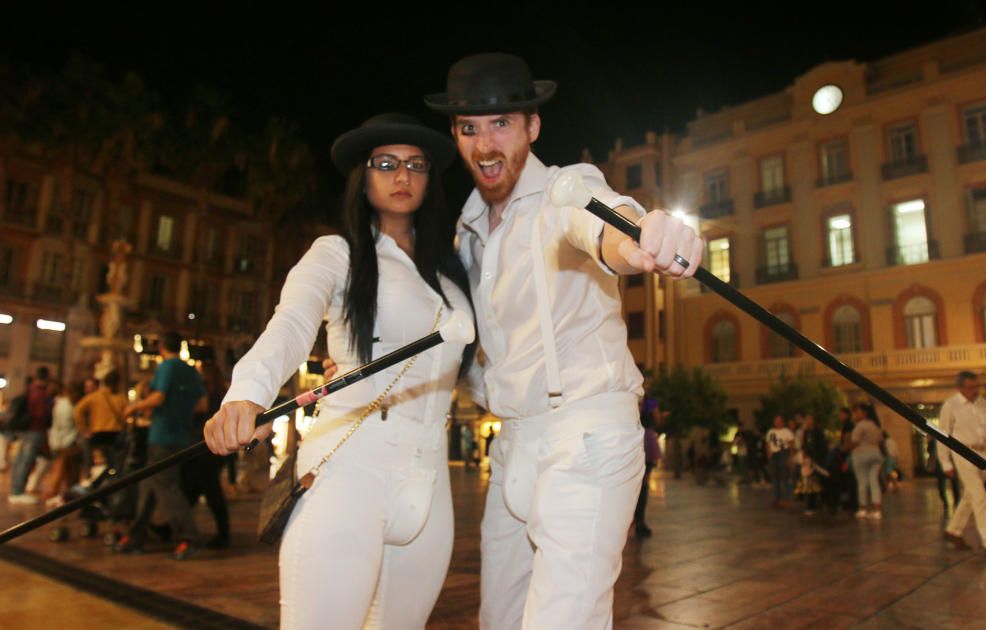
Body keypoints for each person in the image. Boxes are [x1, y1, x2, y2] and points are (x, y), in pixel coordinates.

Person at [425, 52, 703, 628]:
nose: (485, 144)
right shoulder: (467, 231)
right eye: (469, 128)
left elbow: (602, 223)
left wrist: (643, 234)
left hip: (586, 437)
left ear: (533, 126)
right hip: (512, 448)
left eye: (502, 123)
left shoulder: (564, 189)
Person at [204, 113, 475, 628]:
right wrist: (247, 394)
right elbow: (290, 323)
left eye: (416, 165)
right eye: (387, 164)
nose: (403, 176)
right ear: (363, 175)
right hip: (348, 469)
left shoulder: (451, 270)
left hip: (429, 481)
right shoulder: (338, 254)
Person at [115, 331, 207, 559]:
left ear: (161, 348)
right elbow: (202, 405)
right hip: (181, 435)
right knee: (151, 484)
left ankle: (188, 537)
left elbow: (158, 398)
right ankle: (136, 535)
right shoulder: (190, 370)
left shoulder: (167, 367)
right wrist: (182, 413)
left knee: (166, 487)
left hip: (162, 434)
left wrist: (133, 407)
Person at [940, 371, 986, 560]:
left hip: (982, 455)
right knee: (980, 497)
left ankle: (953, 530)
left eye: (977, 386)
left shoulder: (984, 404)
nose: (975, 390)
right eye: (971, 387)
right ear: (961, 388)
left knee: (970, 497)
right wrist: (945, 462)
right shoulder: (951, 405)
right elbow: (942, 435)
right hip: (963, 453)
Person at [181, 358, 231, 549]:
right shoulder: (222, 393)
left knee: (209, 489)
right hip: (213, 447)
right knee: (197, 487)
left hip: (205, 446)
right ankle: (180, 527)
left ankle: (222, 533)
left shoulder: (206, 393)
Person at [9, 367, 54, 504]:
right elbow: (40, 414)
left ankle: (15, 490)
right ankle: (18, 492)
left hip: (27, 430)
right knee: (26, 462)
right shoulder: (40, 393)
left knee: (21, 461)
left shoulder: (30, 389)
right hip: (35, 430)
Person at [73, 370, 127, 471]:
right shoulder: (121, 397)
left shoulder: (95, 396)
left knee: (100, 464)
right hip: (115, 434)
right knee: (114, 464)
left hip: (98, 434)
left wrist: (83, 429)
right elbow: (126, 414)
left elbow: (77, 410)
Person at [848, 402, 884, 520]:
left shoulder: (860, 426)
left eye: (856, 412)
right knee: (874, 482)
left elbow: (855, 441)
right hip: (876, 454)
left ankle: (863, 508)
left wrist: (845, 447)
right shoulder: (875, 425)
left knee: (862, 482)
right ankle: (877, 509)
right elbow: (880, 440)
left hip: (861, 455)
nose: (855, 415)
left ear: (864, 413)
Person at [634, 392, 662, 537]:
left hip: (633, 439)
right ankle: (640, 521)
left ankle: (634, 520)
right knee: (644, 485)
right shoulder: (650, 402)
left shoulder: (631, 398)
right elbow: (657, 420)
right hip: (647, 441)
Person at [765, 415, 795, 508]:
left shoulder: (787, 432)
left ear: (782, 422)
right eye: (776, 421)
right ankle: (775, 499)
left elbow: (791, 444)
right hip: (774, 455)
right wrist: (769, 451)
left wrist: (790, 457)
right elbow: (768, 443)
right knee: (775, 478)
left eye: (779, 421)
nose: (777, 422)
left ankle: (785, 499)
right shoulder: (771, 432)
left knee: (784, 477)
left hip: (783, 453)